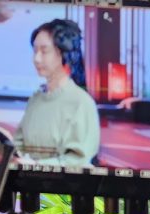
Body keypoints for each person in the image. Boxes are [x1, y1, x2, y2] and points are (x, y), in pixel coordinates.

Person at [14, 19, 100, 167]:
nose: (36, 58)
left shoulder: (81, 102)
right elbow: (20, 146)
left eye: (44, 51)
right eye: (35, 51)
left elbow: (77, 160)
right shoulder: (36, 99)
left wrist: (35, 166)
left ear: (63, 53)